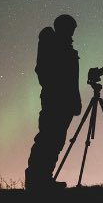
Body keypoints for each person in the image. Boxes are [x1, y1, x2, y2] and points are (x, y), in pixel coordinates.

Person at [25, 14, 83, 190]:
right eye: (71, 28)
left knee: (56, 140)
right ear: (64, 27)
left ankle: (44, 178)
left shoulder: (64, 46)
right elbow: (45, 71)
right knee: (48, 139)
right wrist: (58, 91)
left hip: (63, 101)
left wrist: (74, 99)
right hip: (55, 100)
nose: (73, 32)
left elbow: (71, 79)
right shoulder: (53, 44)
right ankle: (36, 180)